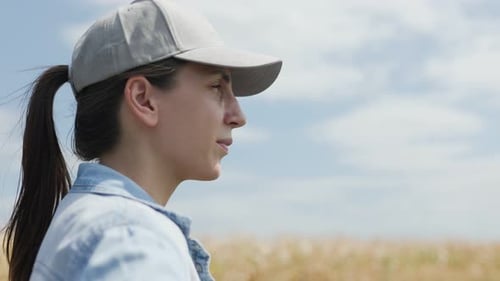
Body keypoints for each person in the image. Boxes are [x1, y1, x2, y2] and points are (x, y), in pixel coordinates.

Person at [2, 0, 282, 280]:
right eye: (216, 87)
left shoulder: (94, 223)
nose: (238, 116)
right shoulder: (132, 240)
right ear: (143, 99)